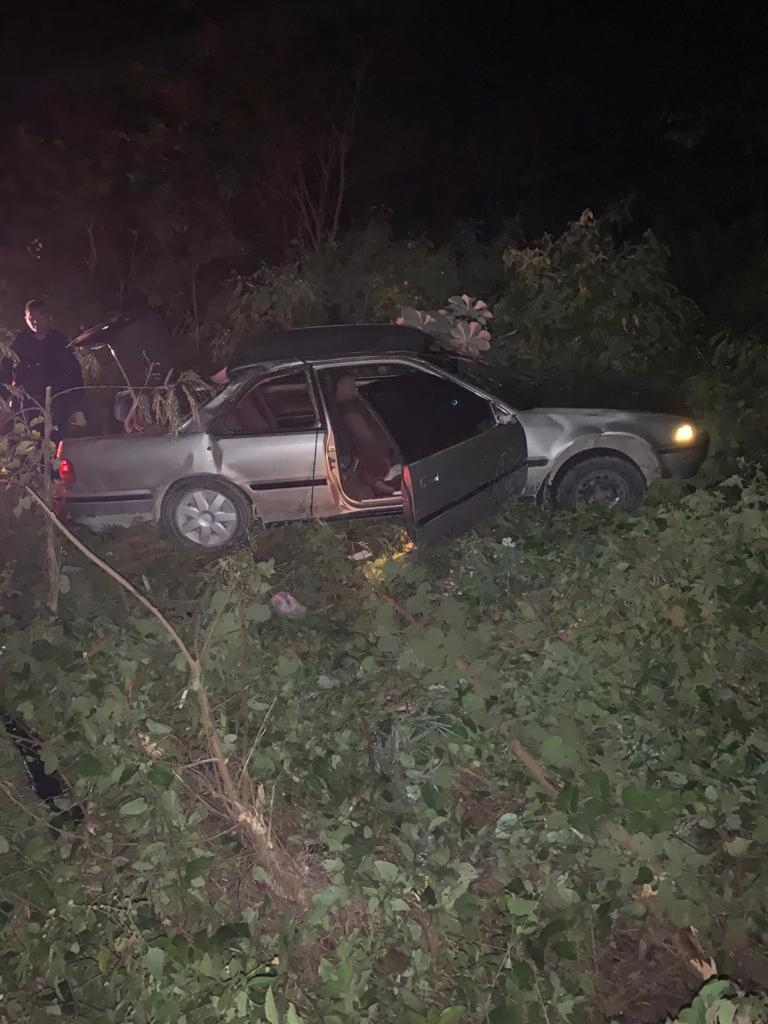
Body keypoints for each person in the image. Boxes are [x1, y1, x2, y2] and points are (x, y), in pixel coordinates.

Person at [1, 299, 87, 438]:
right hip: (28, 407)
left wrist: (78, 408)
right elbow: (6, 370)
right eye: (31, 317)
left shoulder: (60, 341)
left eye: (39, 315)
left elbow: (75, 375)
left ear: (48, 316)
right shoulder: (20, 342)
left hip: (58, 405)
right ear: (25, 319)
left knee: (56, 447)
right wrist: (4, 402)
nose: (35, 321)